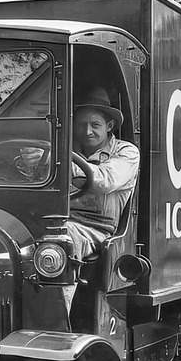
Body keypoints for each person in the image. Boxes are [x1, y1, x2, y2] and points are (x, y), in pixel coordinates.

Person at [64, 86, 139, 262]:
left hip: (97, 229)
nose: (87, 131)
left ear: (109, 126)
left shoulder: (127, 152)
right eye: (82, 125)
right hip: (58, 220)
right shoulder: (64, 150)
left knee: (62, 239)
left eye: (95, 125)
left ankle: (59, 289)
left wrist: (57, 163)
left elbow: (104, 180)